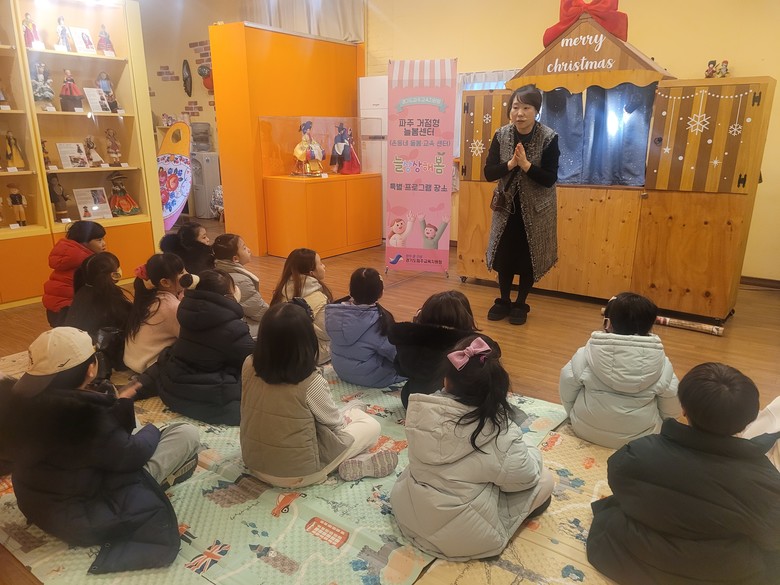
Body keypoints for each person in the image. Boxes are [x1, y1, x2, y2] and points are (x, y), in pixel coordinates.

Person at [0, 328, 201, 573]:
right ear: (90, 369)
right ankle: (155, 479)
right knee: (184, 432)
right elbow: (133, 453)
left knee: (127, 423)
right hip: (86, 518)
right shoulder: (84, 416)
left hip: (38, 506)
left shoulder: (18, 405)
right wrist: (153, 430)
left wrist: (118, 409)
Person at [586, 363, 780, 585]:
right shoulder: (765, 481)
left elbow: (619, 483)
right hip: (717, 571)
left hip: (626, 554)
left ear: (684, 409)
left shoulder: (637, 451)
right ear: (746, 422)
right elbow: (773, 536)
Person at [391, 334, 555, 560]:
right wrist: (525, 443)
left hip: (410, 513)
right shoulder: (501, 432)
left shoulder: (420, 410)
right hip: (463, 538)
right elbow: (525, 478)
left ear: (445, 381)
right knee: (544, 479)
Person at [241, 302, 398, 487]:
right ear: (307, 340)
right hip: (300, 474)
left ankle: (352, 420)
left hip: (254, 463)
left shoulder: (248, 364)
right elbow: (333, 423)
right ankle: (355, 451)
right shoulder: (310, 381)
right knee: (371, 426)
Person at [558, 292, 681, 448]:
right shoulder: (662, 363)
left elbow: (567, 384)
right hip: (641, 438)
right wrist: (662, 425)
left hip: (585, 430)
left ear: (608, 323)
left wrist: (572, 414)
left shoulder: (585, 354)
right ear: (650, 326)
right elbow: (672, 402)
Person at [484, 84, 560, 326]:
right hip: (507, 208)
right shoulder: (501, 135)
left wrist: (526, 165)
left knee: (529, 257)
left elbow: (549, 178)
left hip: (537, 210)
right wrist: (510, 164)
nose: (520, 113)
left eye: (526, 108)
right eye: (516, 107)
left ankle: (520, 303)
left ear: (536, 110)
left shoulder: (549, 137)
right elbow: (489, 172)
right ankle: (504, 300)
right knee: (504, 256)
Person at [155, 270, 254, 425]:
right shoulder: (233, 327)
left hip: (175, 387)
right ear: (227, 296)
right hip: (210, 392)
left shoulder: (186, 313)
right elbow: (253, 358)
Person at [388, 290, 478, 408]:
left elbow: (400, 369)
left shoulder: (409, 338)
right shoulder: (471, 345)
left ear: (424, 314)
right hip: (451, 405)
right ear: (466, 317)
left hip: (412, 400)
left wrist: (415, 325)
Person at [325, 267, 405, 388]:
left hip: (341, 370)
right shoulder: (379, 322)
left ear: (351, 290)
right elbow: (396, 355)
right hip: (370, 378)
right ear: (381, 293)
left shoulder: (334, 312)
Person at [124, 253, 189, 380]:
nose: (187, 274)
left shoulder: (149, 297)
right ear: (165, 282)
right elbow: (188, 336)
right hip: (148, 367)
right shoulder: (170, 307)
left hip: (133, 360)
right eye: (181, 272)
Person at [65, 252, 132, 373]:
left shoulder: (83, 291)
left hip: (79, 353)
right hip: (99, 358)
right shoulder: (108, 298)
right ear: (114, 274)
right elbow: (132, 321)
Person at [270, 247, 333, 364]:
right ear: (311, 273)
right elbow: (327, 333)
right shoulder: (319, 299)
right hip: (308, 354)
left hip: (282, 350)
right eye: (320, 263)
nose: (324, 266)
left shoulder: (280, 292)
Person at [42, 220, 106, 327]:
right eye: (99, 240)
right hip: (71, 311)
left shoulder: (69, 255)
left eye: (103, 239)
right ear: (84, 242)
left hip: (55, 310)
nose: (104, 243)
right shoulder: (86, 261)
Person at [213, 233, 268, 338]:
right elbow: (259, 312)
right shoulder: (240, 281)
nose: (249, 250)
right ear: (235, 259)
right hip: (234, 329)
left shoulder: (217, 271)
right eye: (244, 248)